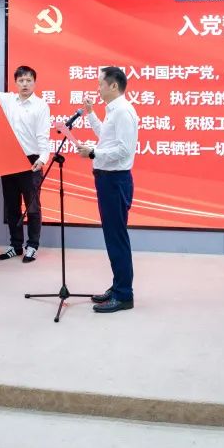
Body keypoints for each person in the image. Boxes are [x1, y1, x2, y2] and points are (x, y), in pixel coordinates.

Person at [77, 66, 139, 314]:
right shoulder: (114, 110)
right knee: (113, 237)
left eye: (100, 84)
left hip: (115, 181)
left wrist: (94, 152)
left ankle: (124, 295)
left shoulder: (123, 111)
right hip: (107, 180)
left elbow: (124, 150)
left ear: (114, 85)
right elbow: (106, 137)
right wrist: (91, 114)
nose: (98, 88)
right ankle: (118, 287)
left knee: (117, 238)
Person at [0, 65, 51, 263]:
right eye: (21, 81)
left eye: (28, 80)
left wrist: (42, 159)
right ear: (15, 83)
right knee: (11, 205)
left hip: (32, 161)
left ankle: (32, 246)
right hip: (9, 160)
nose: (25, 84)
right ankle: (15, 245)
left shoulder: (41, 106)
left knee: (32, 206)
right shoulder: (8, 100)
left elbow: (44, 137)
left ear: (34, 83)